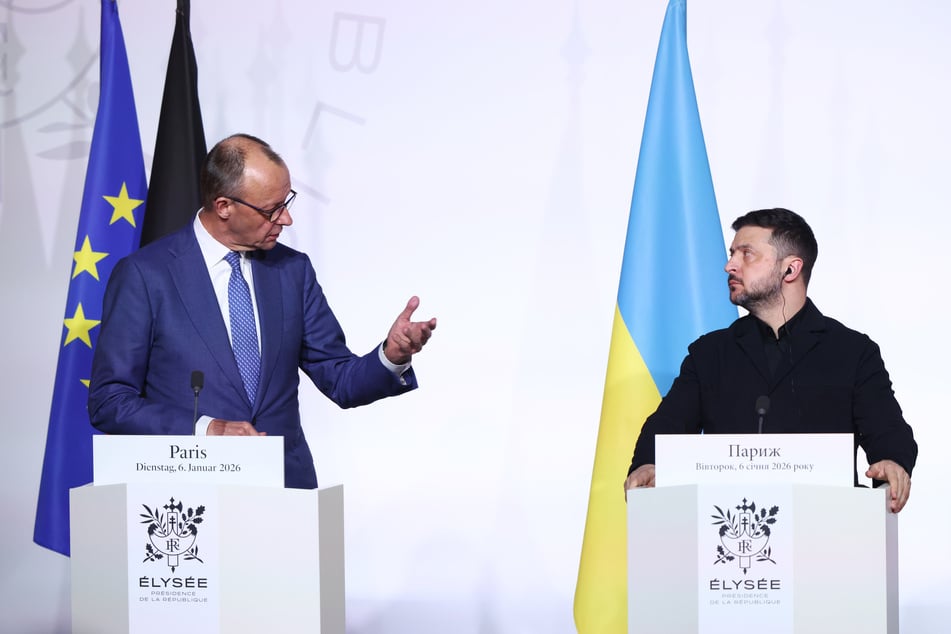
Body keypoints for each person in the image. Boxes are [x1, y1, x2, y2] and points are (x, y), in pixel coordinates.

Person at [88, 133, 437, 489]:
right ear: (224, 206)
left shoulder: (292, 271)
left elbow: (341, 380)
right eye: (272, 209)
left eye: (287, 203)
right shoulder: (147, 275)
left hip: (286, 494)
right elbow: (110, 401)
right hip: (186, 501)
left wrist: (392, 356)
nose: (285, 219)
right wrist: (206, 430)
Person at [624, 208, 916, 512]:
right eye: (732, 253)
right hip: (727, 529)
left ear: (790, 269)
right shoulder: (709, 353)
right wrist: (648, 462)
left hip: (825, 533)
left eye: (746, 254)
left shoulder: (853, 352)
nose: (729, 265)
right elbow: (669, 423)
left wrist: (892, 462)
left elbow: (888, 430)